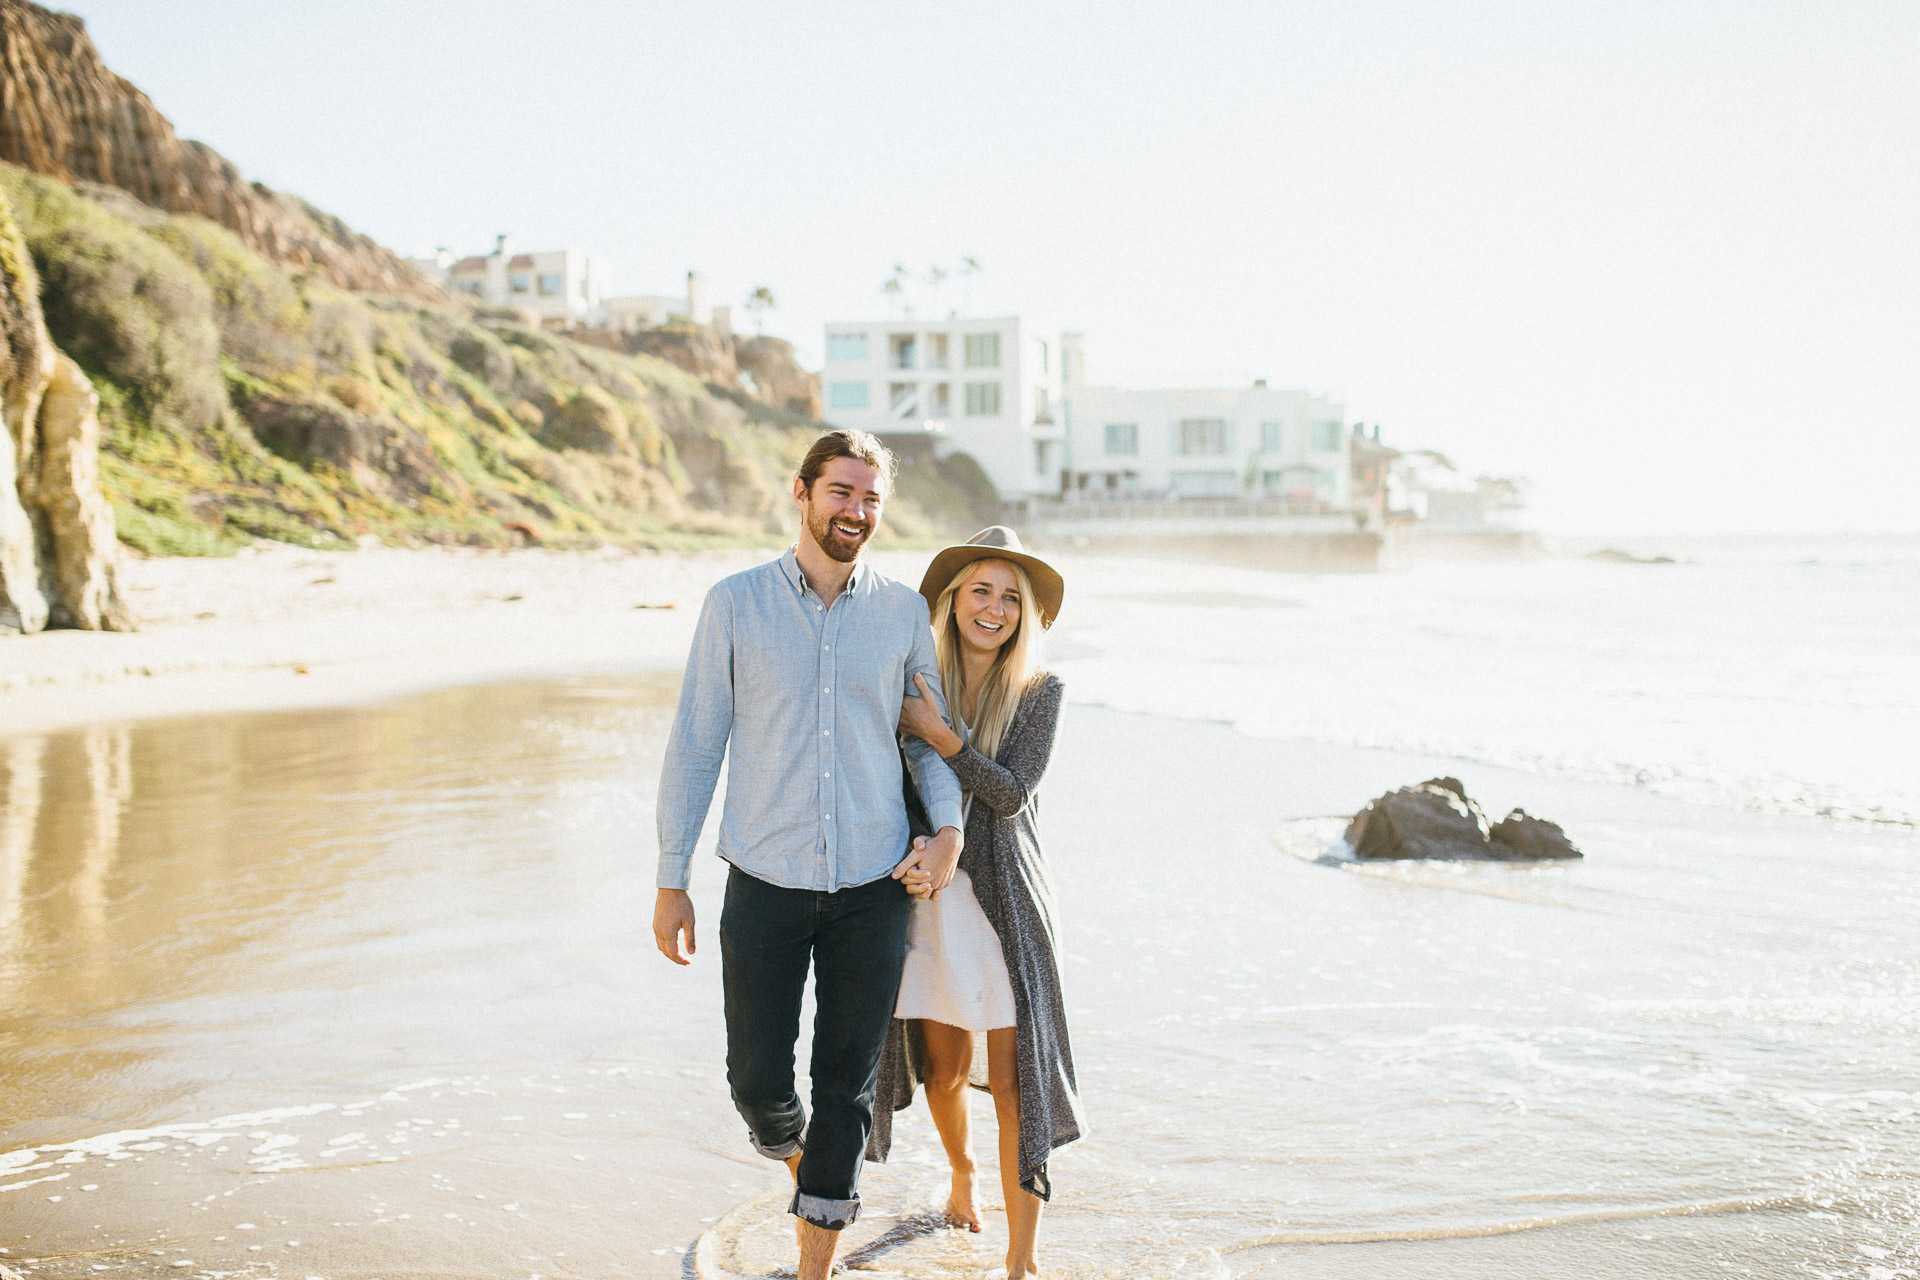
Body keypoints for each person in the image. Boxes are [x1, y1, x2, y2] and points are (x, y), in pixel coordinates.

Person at [651, 430, 966, 1280]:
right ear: (801, 493)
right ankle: (797, 1164)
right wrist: (670, 879)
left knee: (847, 1087)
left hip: (873, 884)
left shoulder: (901, 613)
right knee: (756, 1083)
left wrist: (948, 833)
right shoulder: (736, 604)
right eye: (841, 493)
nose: (856, 512)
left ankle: (815, 1262)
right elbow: (693, 747)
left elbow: (928, 745)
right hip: (764, 881)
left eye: (870, 499)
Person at [869, 526, 1086, 1280]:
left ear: (1025, 614)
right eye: (980, 591)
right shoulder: (914, 673)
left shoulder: (1040, 692)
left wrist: (940, 734)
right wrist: (920, 845)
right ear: (954, 598)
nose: (993, 609)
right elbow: (888, 783)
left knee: (1017, 1082)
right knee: (940, 1067)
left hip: (1006, 908)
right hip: (928, 900)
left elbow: (1011, 794)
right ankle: (960, 1171)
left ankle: (1021, 1260)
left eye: (1008, 597)